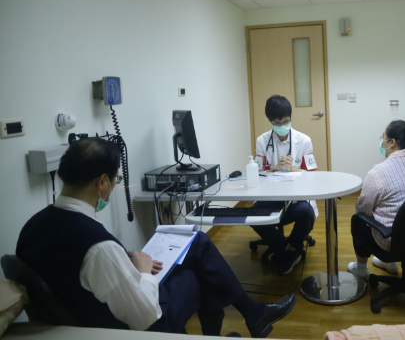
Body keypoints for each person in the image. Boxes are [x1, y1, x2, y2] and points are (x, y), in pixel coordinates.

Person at [16, 138, 296, 336]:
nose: (113, 187)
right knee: (198, 275)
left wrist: (124, 263)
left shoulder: (33, 226)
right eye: (114, 181)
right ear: (101, 182)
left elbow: (74, 271)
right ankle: (252, 316)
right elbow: (145, 317)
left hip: (81, 316)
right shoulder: (98, 247)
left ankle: (253, 315)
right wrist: (141, 272)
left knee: (197, 244)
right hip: (130, 327)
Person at [347, 120, 405, 280]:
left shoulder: (378, 173)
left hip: (393, 242)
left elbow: (363, 210)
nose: (382, 142)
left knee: (358, 220)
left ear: (392, 142)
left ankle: (360, 269)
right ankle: (390, 263)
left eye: (383, 137)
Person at [251, 95, 318, 276]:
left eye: (286, 121)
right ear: (270, 121)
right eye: (277, 123)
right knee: (252, 214)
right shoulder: (262, 141)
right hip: (271, 195)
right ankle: (289, 250)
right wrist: (275, 168)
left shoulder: (303, 140)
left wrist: (294, 169)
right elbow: (258, 173)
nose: (282, 126)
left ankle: (289, 248)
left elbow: (313, 175)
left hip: (297, 196)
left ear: (290, 118)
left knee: (306, 213)